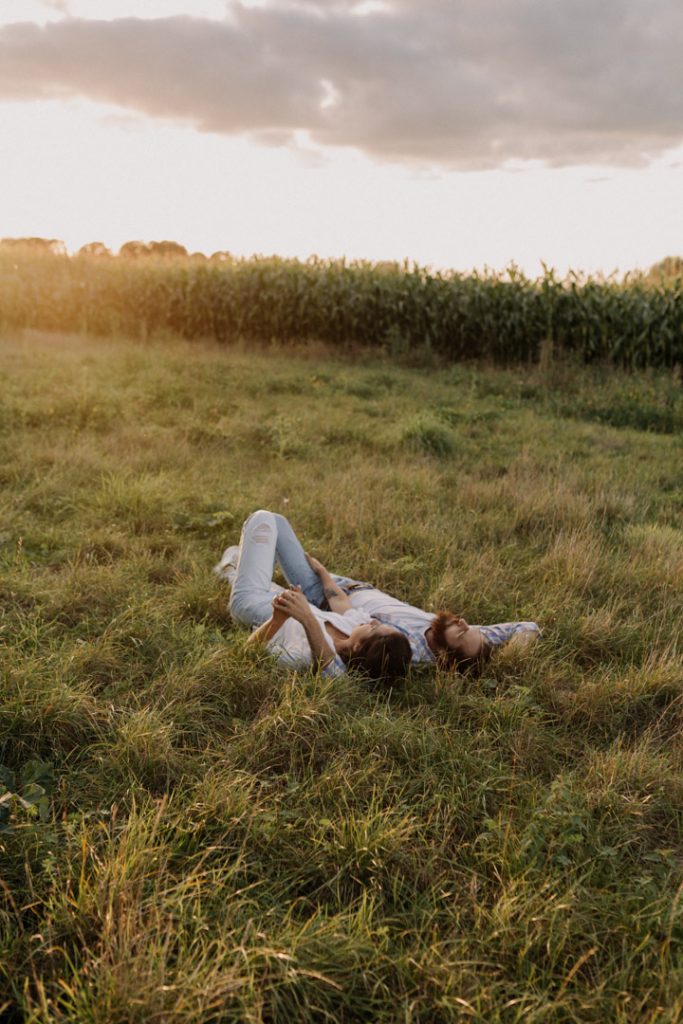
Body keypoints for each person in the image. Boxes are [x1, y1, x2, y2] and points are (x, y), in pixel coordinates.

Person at [216, 510, 540, 676]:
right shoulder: (462, 634)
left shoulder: (402, 650)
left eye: (463, 634)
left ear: (445, 656)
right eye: (472, 629)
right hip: (331, 592)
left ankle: (237, 568)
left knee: (262, 522)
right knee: (276, 521)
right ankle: (239, 567)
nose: (466, 623)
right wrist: (325, 576)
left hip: (309, 609)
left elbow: (334, 670)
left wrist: (305, 618)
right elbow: (526, 627)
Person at [221, 510, 412, 685]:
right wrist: (323, 573)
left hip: (253, 607)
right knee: (277, 521)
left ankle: (231, 567)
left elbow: (249, 652)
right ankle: (231, 567)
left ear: (357, 647)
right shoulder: (355, 625)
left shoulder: (305, 657)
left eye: (374, 628)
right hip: (284, 597)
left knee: (262, 518)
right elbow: (341, 602)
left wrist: (278, 619)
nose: (373, 621)